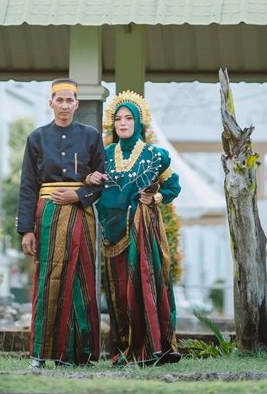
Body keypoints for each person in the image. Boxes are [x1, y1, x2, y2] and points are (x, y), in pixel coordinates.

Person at [87, 90, 181, 366]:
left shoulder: (156, 156)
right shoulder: (103, 155)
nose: (123, 123)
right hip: (111, 233)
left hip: (142, 231)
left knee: (144, 285)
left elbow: (173, 186)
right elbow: (92, 185)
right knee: (118, 291)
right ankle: (125, 348)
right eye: (118, 119)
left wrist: (156, 198)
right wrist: (89, 178)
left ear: (139, 122)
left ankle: (152, 347)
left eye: (129, 118)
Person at [17, 78, 105, 368]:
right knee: (48, 280)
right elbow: (28, 186)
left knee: (82, 279)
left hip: (81, 214)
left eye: (70, 100)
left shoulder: (91, 136)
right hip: (48, 216)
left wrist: (78, 194)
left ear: (77, 104)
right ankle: (41, 354)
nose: (64, 105)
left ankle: (79, 355)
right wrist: (26, 230)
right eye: (59, 100)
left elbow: (102, 178)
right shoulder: (37, 138)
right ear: (50, 103)